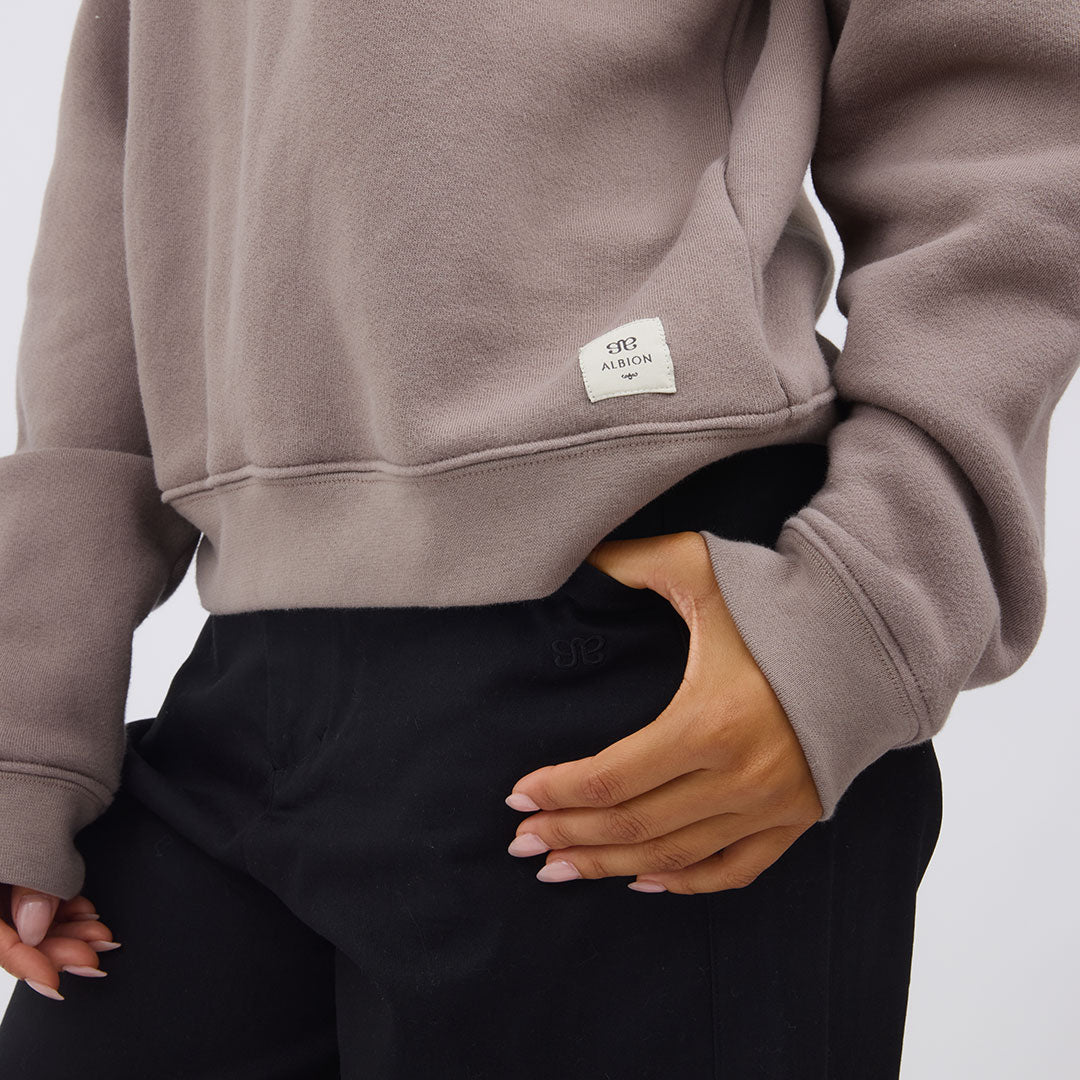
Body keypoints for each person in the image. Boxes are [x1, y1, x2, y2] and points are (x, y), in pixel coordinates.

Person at [0, 1, 1075, 1076]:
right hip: (250, 665)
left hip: (640, 633)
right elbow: (126, 156)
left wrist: (873, 591)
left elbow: (1001, 100)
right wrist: (30, 716)